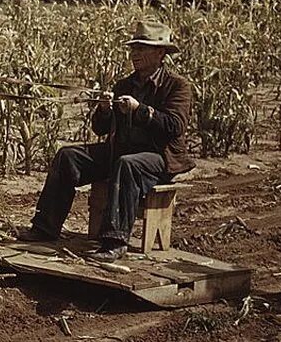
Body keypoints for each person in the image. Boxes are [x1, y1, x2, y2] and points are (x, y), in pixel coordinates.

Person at [20, 21, 195, 260]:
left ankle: (114, 241)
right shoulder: (125, 84)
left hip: (159, 157)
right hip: (121, 151)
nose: (135, 54)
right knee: (68, 156)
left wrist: (140, 110)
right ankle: (44, 228)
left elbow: (174, 127)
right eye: (134, 49)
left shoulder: (177, 86)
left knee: (128, 164)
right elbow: (100, 128)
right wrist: (104, 110)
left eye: (142, 48)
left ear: (160, 52)